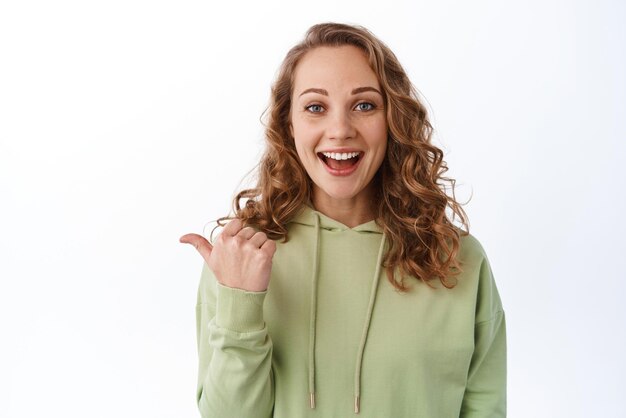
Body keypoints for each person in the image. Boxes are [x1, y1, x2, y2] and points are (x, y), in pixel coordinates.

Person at [180, 22, 506, 417]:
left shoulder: (459, 260)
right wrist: (241, 304)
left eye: (365, 105)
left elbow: (485, 408)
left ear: (393, 120)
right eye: (316, 107)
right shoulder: (242, 256)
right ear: (289, 123)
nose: (340, 130)